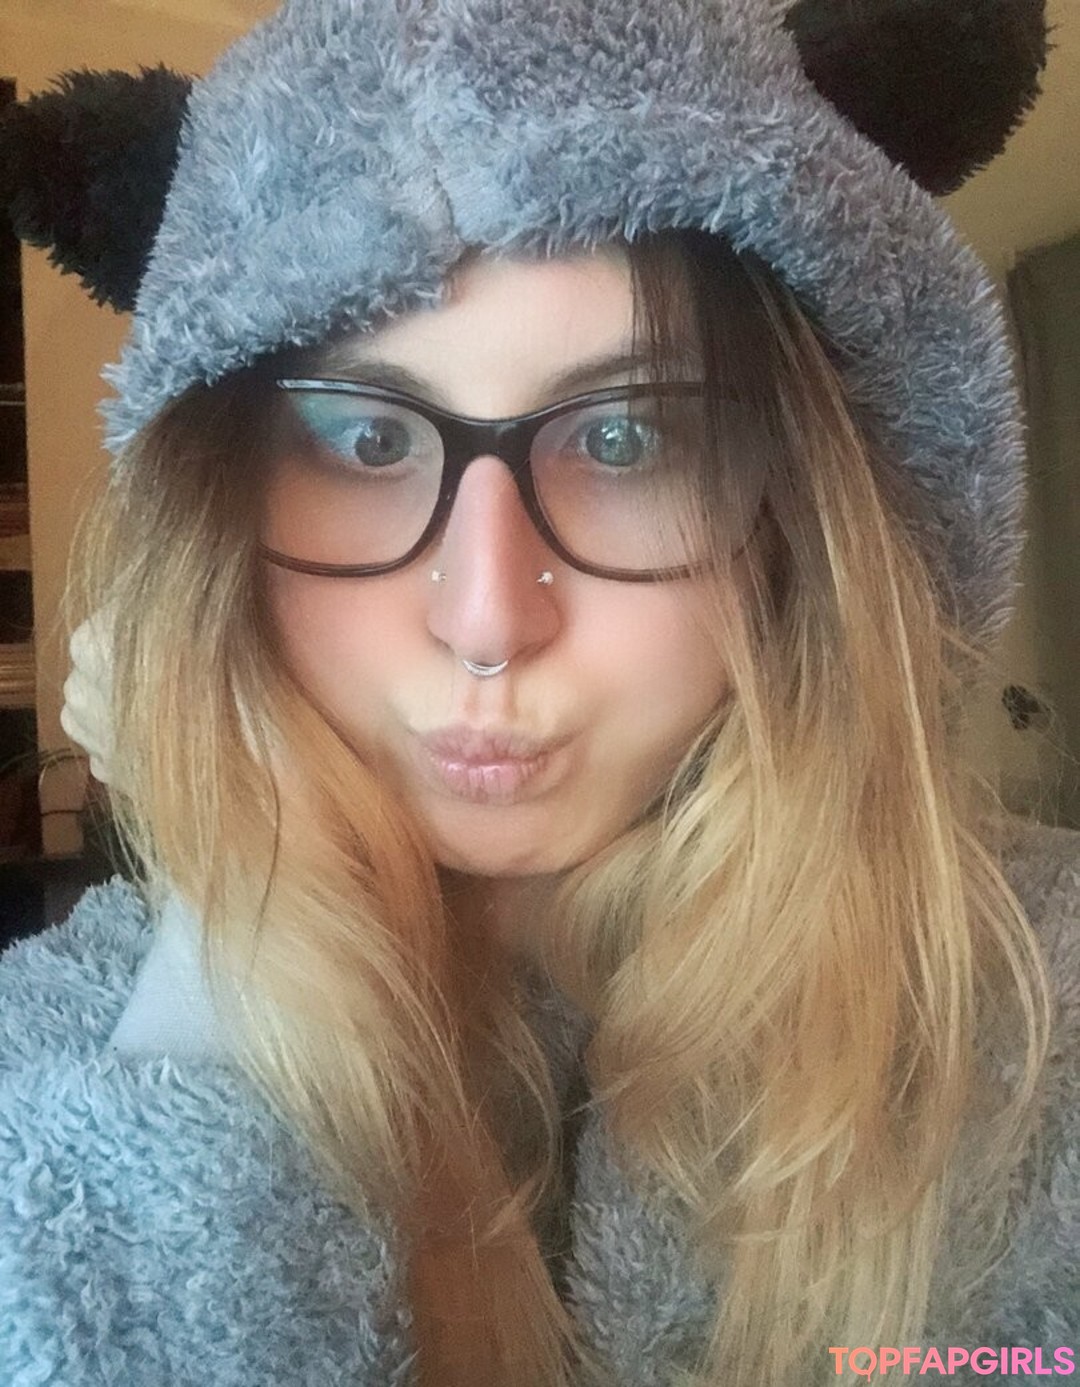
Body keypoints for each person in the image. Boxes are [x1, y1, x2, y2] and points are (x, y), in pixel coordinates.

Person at [1, 1, 1077, 1383]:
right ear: (217, 519)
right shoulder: (67, 1055)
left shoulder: (1042, 1015)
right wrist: (242, 932)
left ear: (800, 521)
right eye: (366, 439)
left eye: (626, 438)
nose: (489, 618)